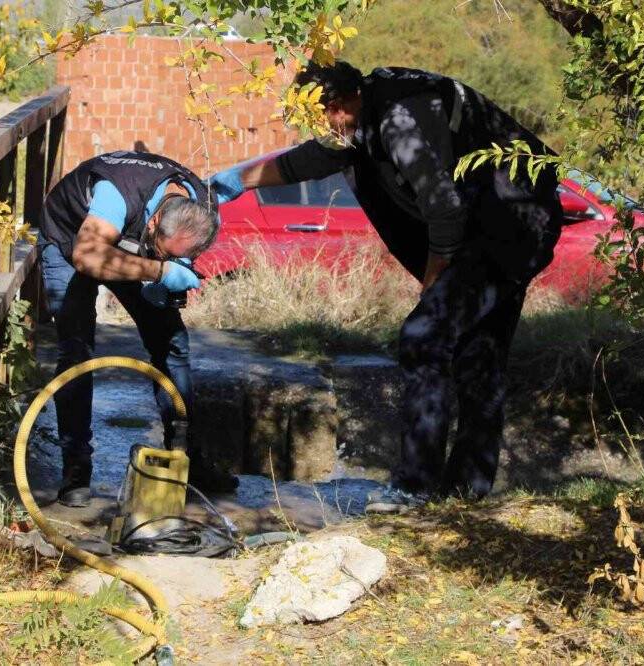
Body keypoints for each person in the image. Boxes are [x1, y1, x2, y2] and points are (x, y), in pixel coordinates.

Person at [207, 62, 563, 513]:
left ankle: (414, 488)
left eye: (320, 119)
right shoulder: (364, 114)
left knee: (423, 337)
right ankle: (466, 492)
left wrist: (433, 281)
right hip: (502, 224)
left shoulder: (399, 118)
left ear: (337, 106)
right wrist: (239, 180)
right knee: (479, 354)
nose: (320, 129)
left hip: (512, 223)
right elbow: (312, 159)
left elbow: (444, 208)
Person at [39, 150, 238, 507]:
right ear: (154, 221)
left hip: (131, 245)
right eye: (162, 252)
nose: (166, 260)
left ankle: (185, 459)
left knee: (173, 344)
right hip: (72, 241)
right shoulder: (116, 196)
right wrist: (159, 271)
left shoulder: (200, 203)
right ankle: (75, 471)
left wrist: (168, 275)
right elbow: (88, 256)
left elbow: (250, 175)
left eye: (176, 257)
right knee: (76, 349)